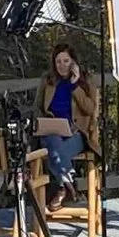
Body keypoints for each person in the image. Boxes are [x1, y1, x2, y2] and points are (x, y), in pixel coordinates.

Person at [32, 43, 98, 212]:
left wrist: (75, 86)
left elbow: (90, 109)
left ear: (73, 62)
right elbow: (37, 107)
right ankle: (71, 189)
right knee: (53, 141)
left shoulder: (85, 80)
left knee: (54, 152)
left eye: (66, 61)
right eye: (58, 61)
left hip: (76, 132)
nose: (62, 65)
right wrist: (45, 120)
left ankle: (63, 188)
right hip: (52, 130)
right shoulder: (48, 80)